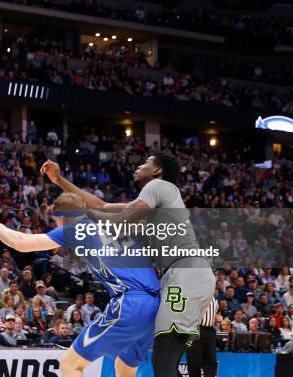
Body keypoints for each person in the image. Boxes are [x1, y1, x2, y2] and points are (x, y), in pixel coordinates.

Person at [42, 154, 215, 377]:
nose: (138, 166)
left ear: (156, 171)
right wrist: (59, 181)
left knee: (164, 361)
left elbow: (117, 218)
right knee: (163, 361)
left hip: (187, 272)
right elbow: (102, 204)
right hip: (178, 275)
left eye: (145, 163)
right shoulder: (154, 201)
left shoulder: (159, 186)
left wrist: (79, 216)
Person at [0, 192, 160, 377]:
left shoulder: (77, 227)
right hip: (155, 305)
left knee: (70, 365)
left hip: (130, 303)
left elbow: (21, 242)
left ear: (62, 218)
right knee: (125, 368)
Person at [186, 298, 218, 377]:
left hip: (210, 330)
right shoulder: (196, 295)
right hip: (195, 329)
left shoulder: (215, 299)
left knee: (211, 361)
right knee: (194, 362)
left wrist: (216, 319)